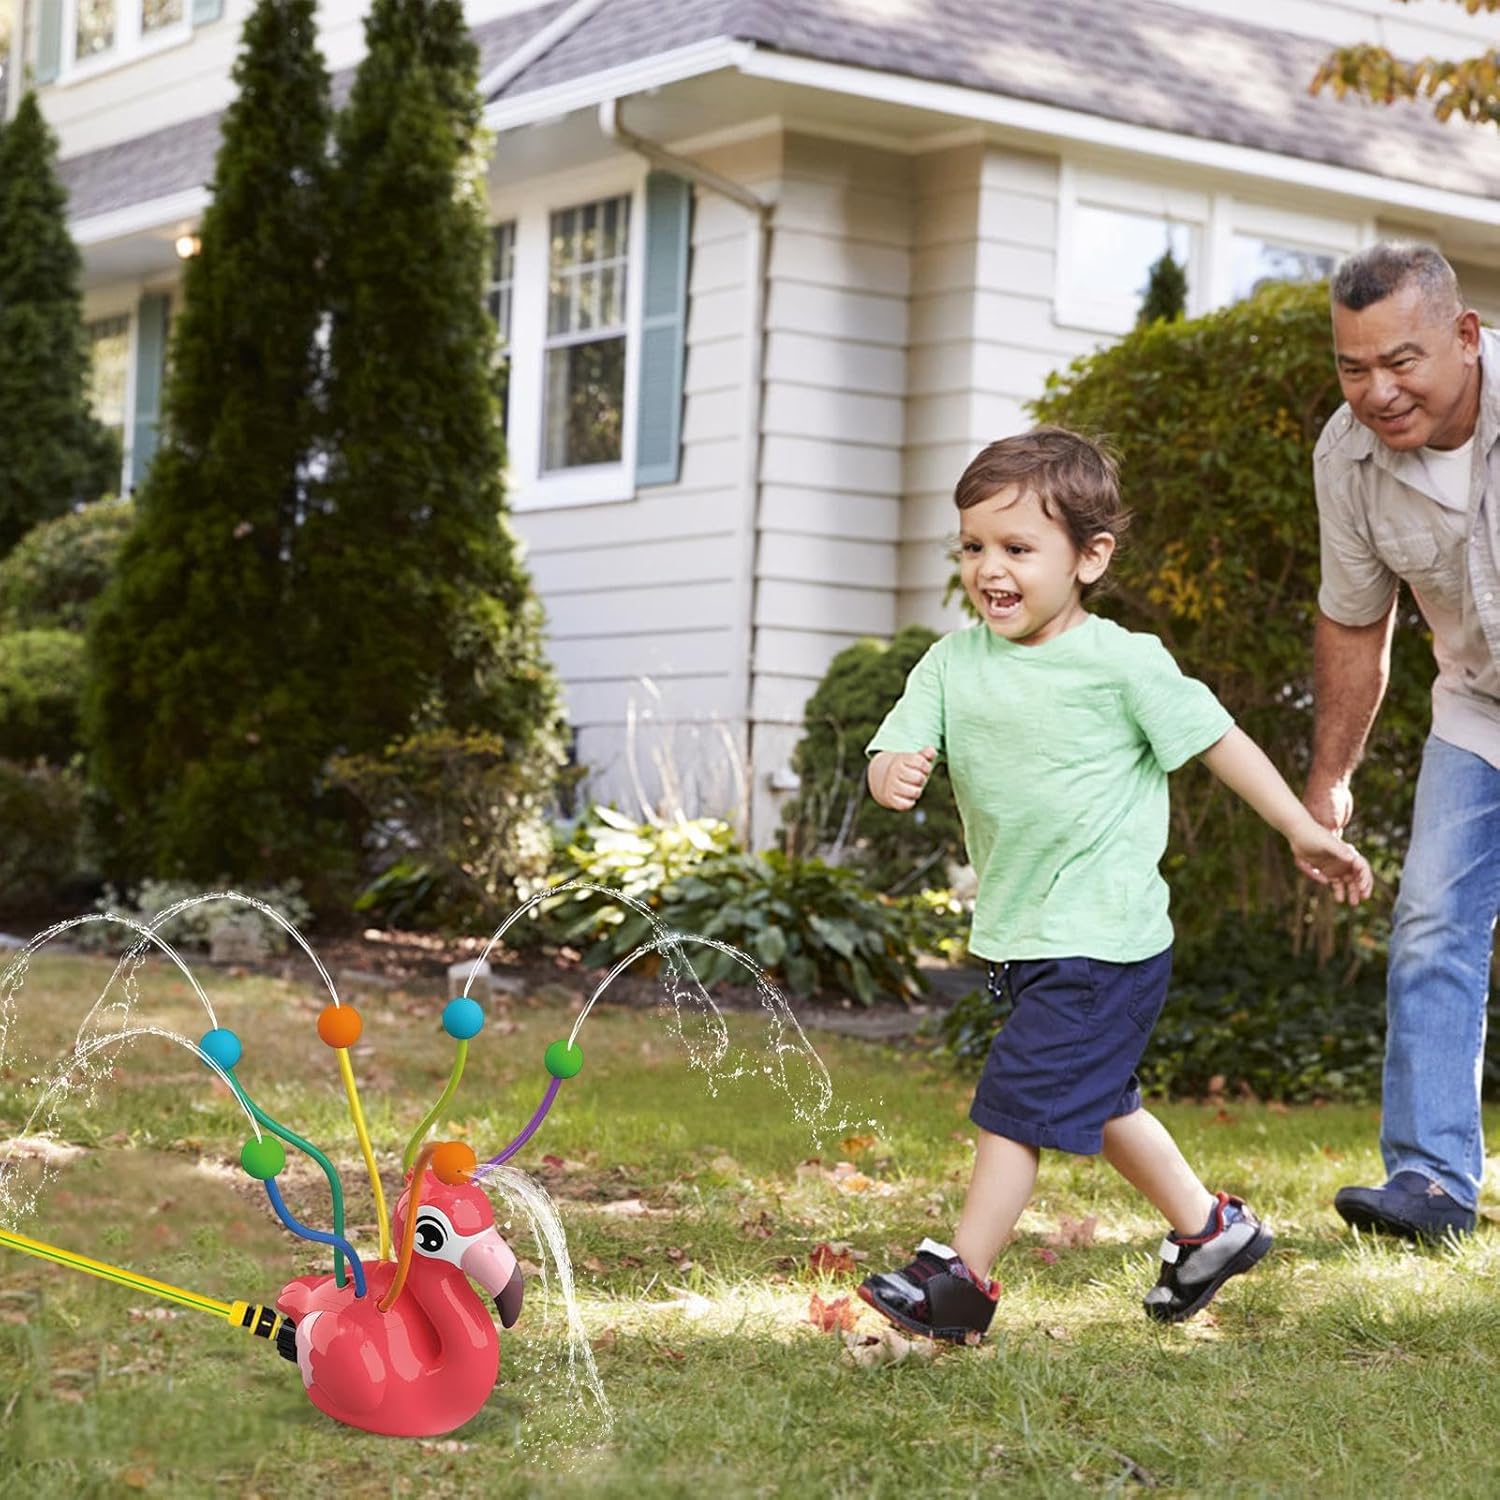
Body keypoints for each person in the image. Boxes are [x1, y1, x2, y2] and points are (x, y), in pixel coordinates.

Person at [856, 426, 1373, 1344]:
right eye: (973, 546)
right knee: (1098, 1101)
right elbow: (893, 741)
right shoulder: (951, 664)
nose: (990, 569)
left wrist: (1301, 826)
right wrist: (888, 770)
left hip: (1104, 938)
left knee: (1016, 1101)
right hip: (1024, 933)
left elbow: (1218, 742)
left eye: (1018, 549)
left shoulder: (1124, 662)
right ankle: (1210, 1229)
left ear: (1089, 558)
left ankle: (961, 1282)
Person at [1305, 242, 1500, 1245]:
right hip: (1479, 708)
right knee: (1430, 921)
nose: (1377, 391)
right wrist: (1329, 779)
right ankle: (1430, 1180)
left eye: (1400, 361)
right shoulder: (1348, 457)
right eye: (1353, 366)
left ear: (1465, 336)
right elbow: (1354, 622)